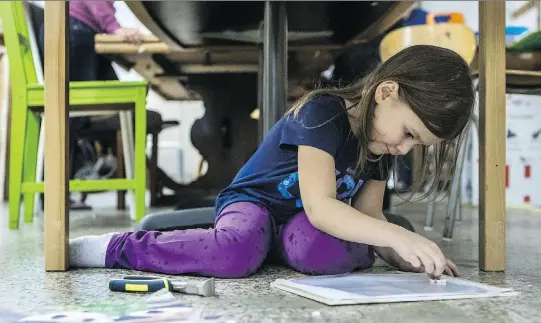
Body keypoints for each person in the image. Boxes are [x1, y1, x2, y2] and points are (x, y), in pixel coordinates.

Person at [70, 45, 474, 279]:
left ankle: (271, 247)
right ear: (386, 92)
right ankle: (116, 248)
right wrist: (396, 236)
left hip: (304, 224)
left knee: (319, 252)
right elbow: (321, 206)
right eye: (408, 133)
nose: (404, 149)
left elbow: (371, 217)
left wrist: (410, 259)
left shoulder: (382, 146)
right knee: (234, 252)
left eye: (415, 144)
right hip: (254, 203)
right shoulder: (323, 112)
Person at [36, 1, 143, 209]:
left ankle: (97, 162)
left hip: (77, 32)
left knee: (86, 112)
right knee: (70, 117)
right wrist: (115, 28)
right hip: (73, 31)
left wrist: (115, 26)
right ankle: (55, 195)